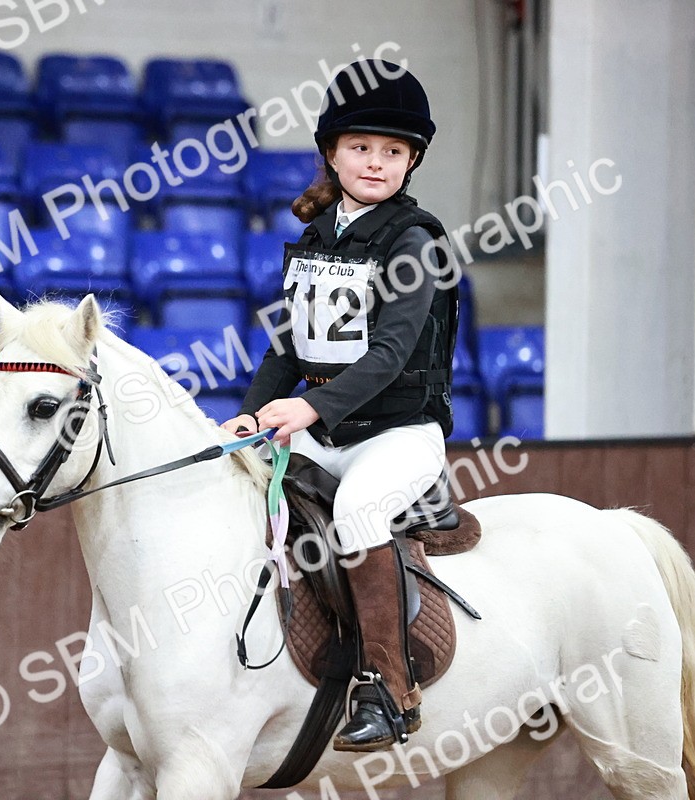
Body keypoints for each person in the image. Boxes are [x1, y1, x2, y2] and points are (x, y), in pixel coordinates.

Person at [222, 59, 458, 753]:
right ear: (332, 152)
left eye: (393, 152)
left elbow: (388, 357)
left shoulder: (415, 240)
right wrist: (251, 413)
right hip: (328, 426)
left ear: (411, 160)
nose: (376, 163)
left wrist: (305, 415)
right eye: (361, 147)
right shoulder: (319, 238)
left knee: (357, 510)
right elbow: (288, 351)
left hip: (400, 433)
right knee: (238, 478)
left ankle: (389, 689)